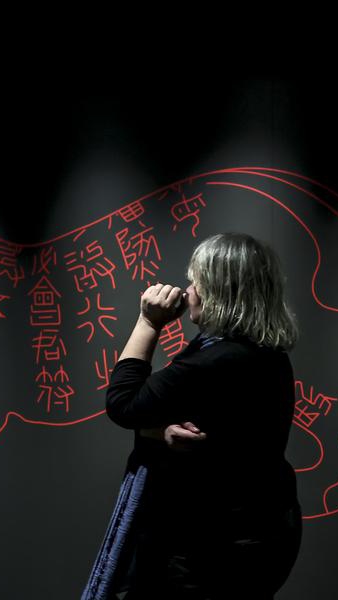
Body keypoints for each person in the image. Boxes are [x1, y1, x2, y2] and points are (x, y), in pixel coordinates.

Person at [100, 232, 303, 599]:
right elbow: (226, 438)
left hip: (212, 547)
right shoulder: (268, 356)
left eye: (196, 281)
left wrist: (148, 322)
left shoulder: (213, 361)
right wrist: (159, 432)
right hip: (264, 533)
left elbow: (122, 403)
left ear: (219, 290)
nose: (188, 290)